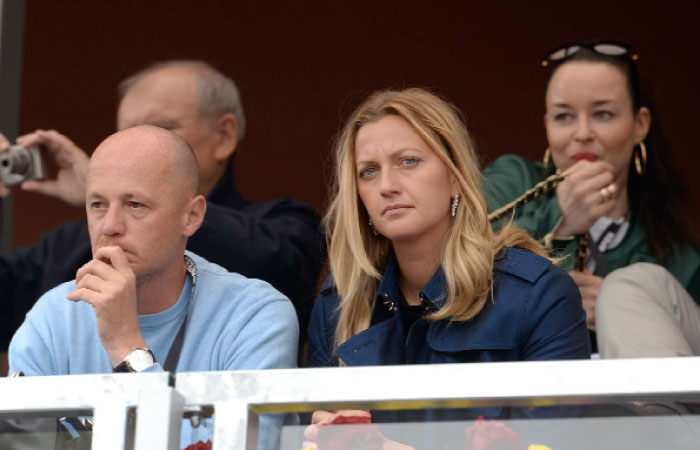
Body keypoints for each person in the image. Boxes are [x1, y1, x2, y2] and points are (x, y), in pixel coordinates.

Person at [304, 88, 589, 447]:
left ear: (455, 177)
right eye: (369, 172)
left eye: (408, 161)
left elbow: (559, 443)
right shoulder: (337, 305)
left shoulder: (539, 294)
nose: (387, 186)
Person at [0, 61, 324, 360]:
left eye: (161, 128)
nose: (111, 226)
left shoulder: (283, 226)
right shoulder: (69, 247)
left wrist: (103, 184)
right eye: (97, 204)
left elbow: (279, 263)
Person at [8, 125, 298, 450]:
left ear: (192, 215)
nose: (110, 227)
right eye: (97, 205)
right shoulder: (53, 316)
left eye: (135, 205)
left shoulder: (255, 316)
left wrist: (126, 348)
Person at [481, 40, 700, 356]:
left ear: (640, 125)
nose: (582, 132)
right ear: (547, 125)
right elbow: (454, 257)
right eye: (563, 116)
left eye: (603, 114)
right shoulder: (513, 181)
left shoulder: (674, 252)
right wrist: (561, 220)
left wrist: (623, 307)